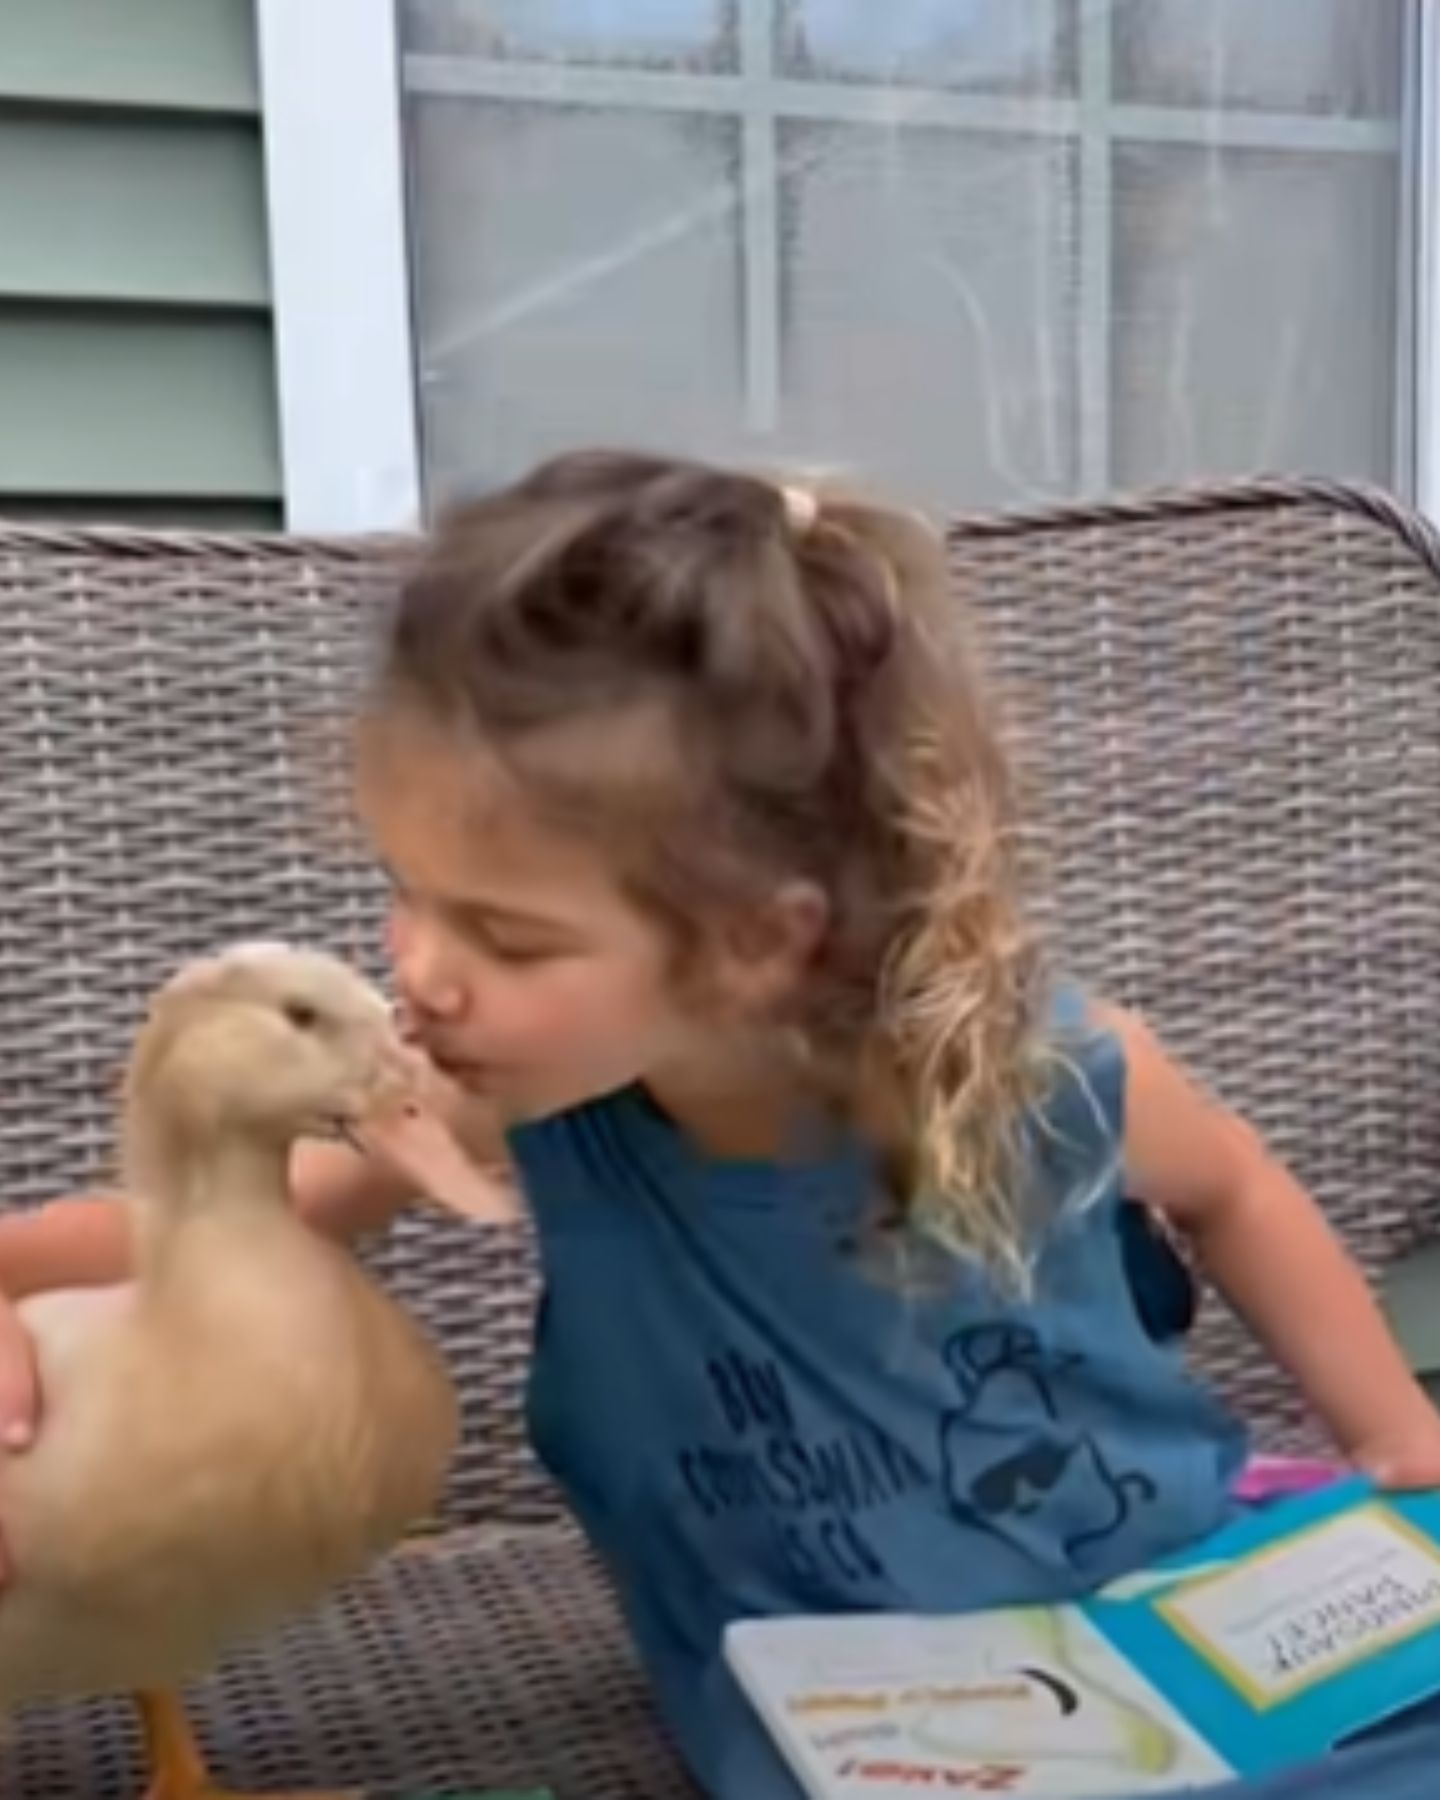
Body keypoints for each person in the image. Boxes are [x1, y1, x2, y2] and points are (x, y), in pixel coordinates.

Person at [2, 451, 1437, 1798]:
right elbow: (198, 1221)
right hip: (863, 1719)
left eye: (501, 933)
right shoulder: (502, 1107)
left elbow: (1235, 1183)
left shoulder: (1025, 1068)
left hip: (1183, 1616)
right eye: (410, 891)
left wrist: (1400, 1436)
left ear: (755, 943)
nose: (417, 973)